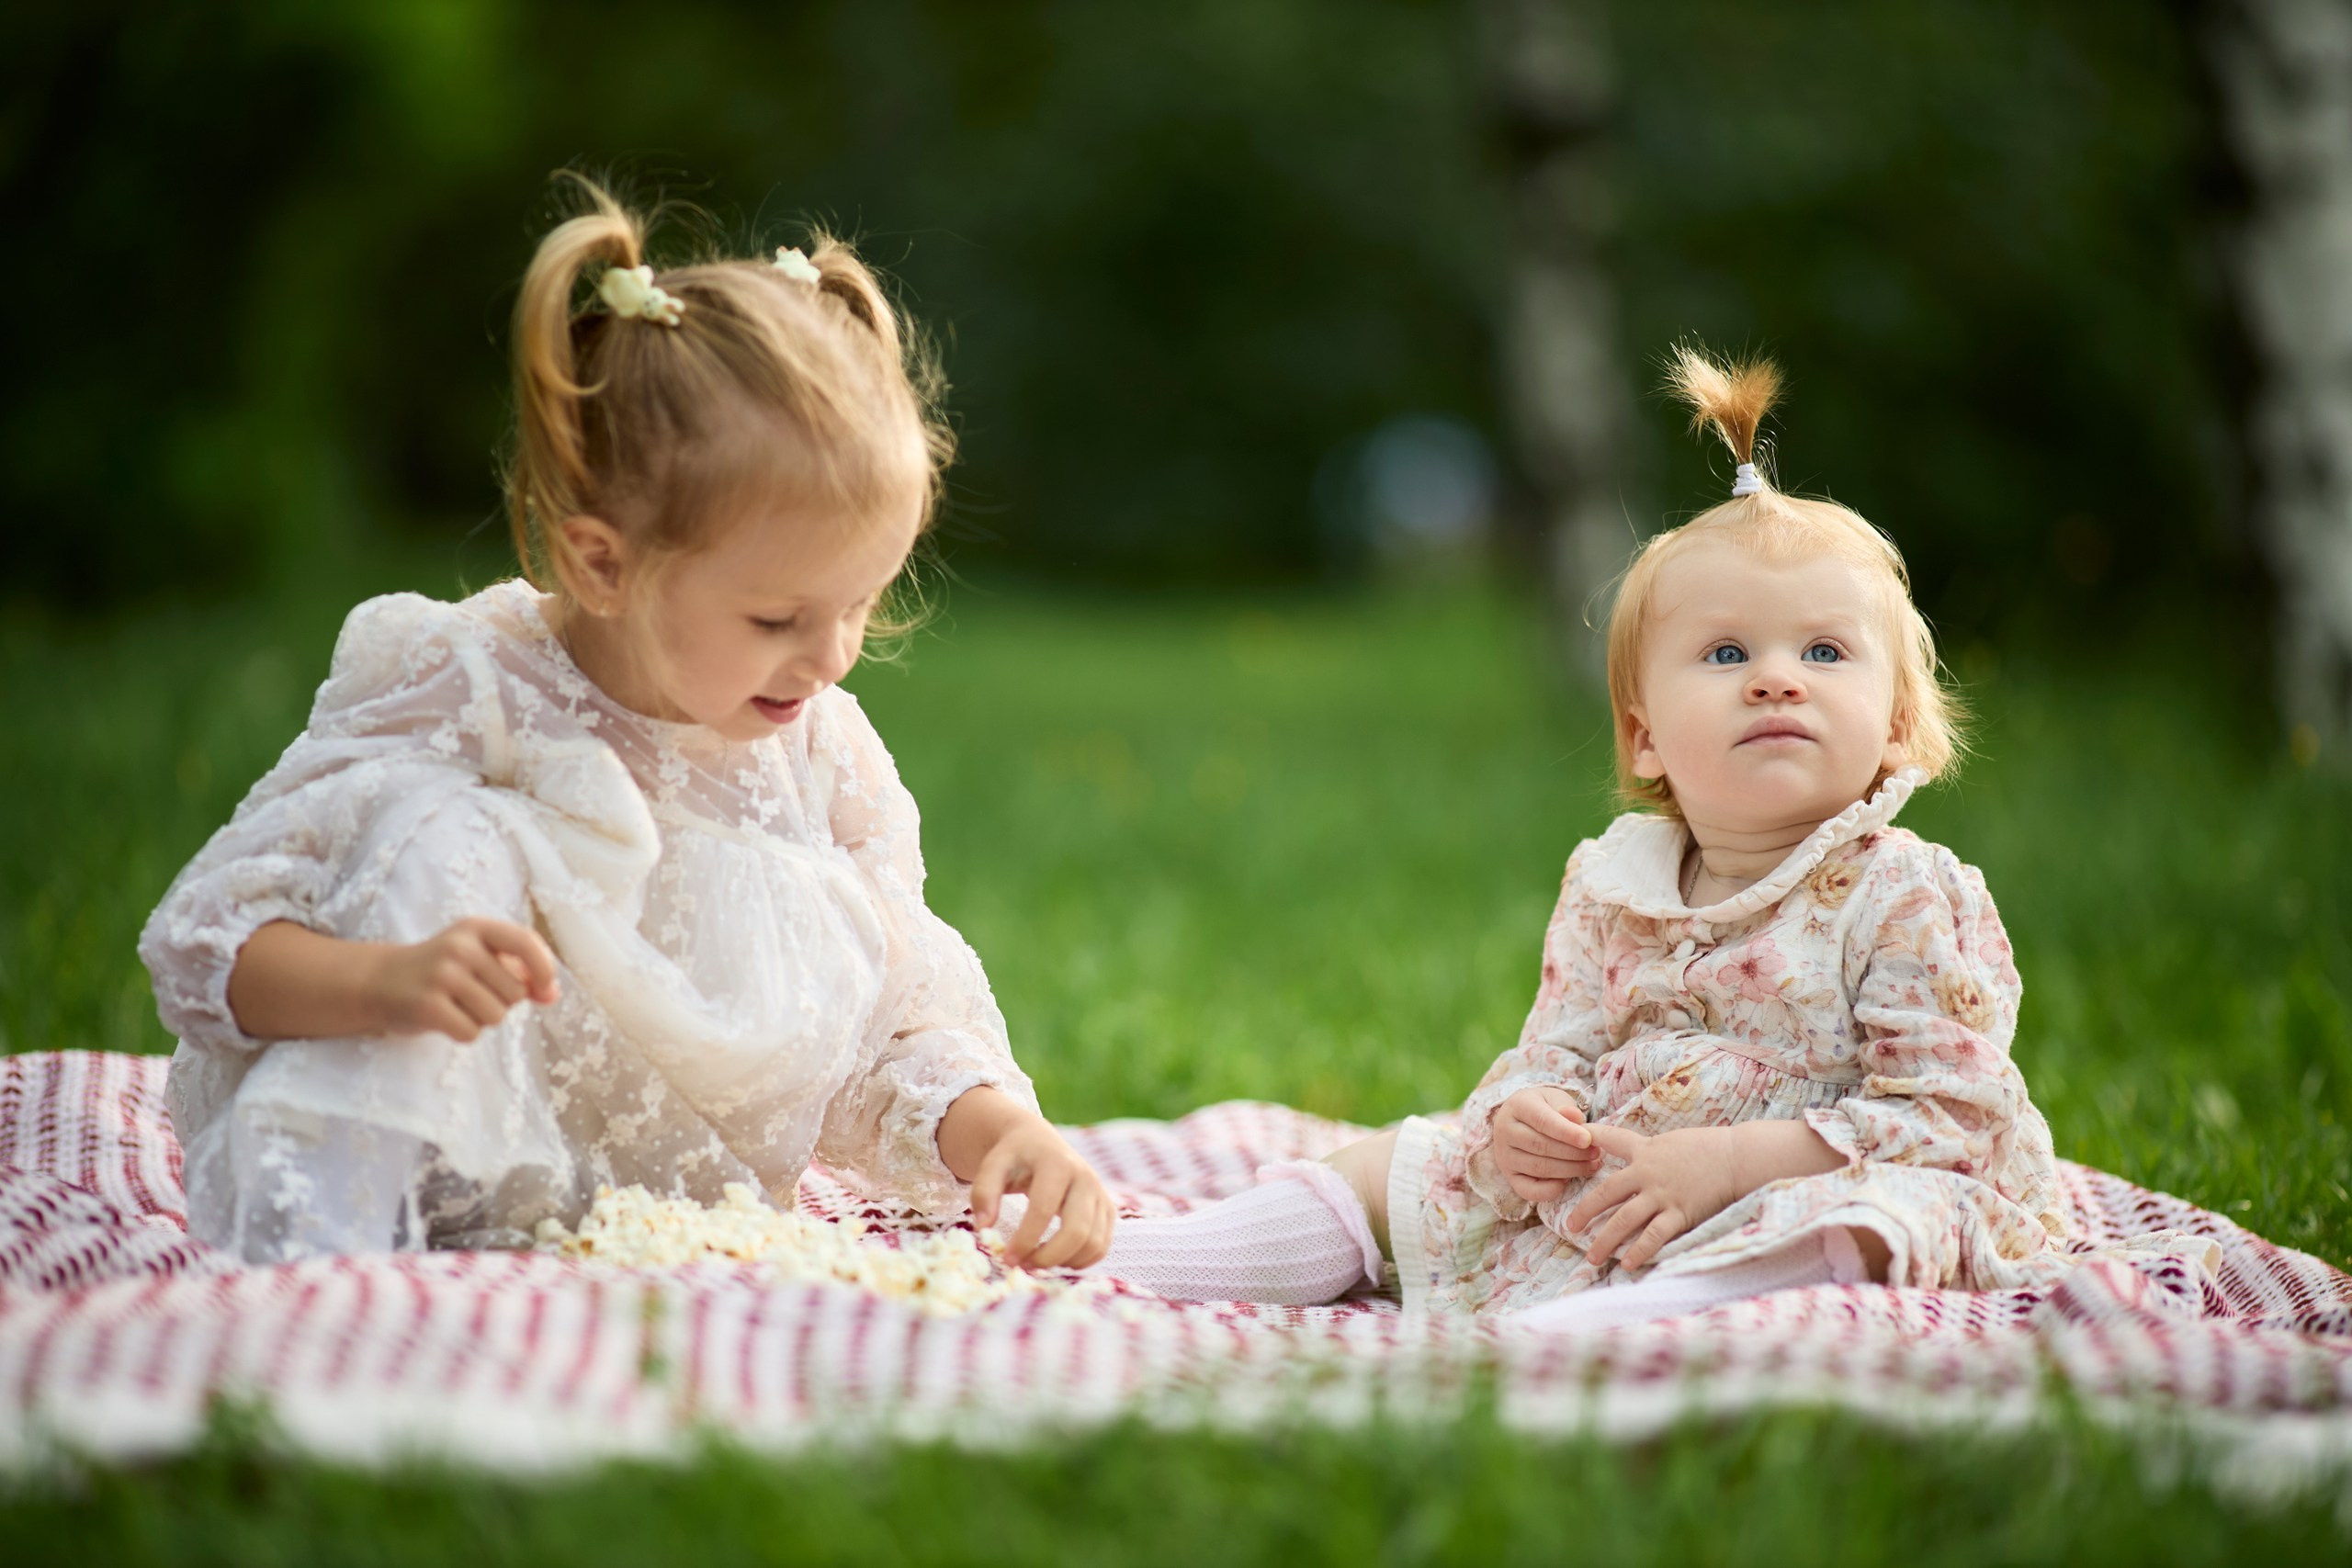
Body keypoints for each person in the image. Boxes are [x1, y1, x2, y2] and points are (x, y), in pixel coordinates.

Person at [140, 177, 1113, 1271]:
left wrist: (1005, 1135)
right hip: (399, 1202)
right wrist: (382, 983)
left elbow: (887, 1025)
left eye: (860, 604)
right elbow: (206, 941)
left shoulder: (817, 756)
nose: (834, 655)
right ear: (605, 562)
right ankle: (329, 1271)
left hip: (658, 1237)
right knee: (454, 827)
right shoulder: (470, 686)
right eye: (779, 616)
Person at [1096, 344, 2122, 1327]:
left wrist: (1729, 1167)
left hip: (1806, 1182)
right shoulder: (1614, 885)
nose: (1776, 676)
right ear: (1644, 740)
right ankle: (1131, 1269)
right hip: (1621, 1180)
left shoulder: (1900, 893)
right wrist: (1527, 1114)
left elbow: (1955, 1116)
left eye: (1822, 650)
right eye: (1725, 652)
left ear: (1898, 724)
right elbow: (1560, 1043)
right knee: (1407, 1162)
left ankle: (1659, 1323)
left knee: (1872, 1220)